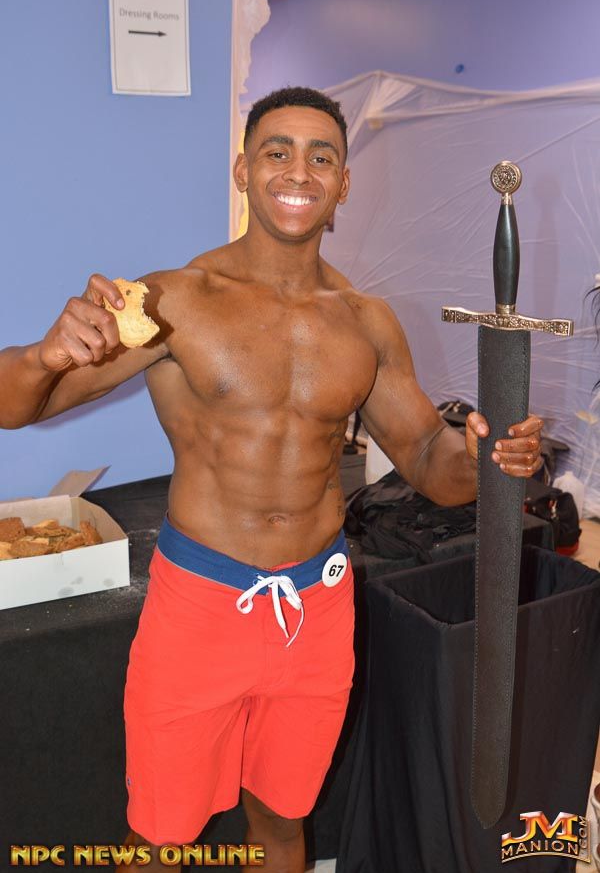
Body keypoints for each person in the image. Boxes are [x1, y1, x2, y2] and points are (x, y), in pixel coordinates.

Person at [0, 87, 543, 872]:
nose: (298, 170)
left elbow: (430, 458)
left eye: (322, 156)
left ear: (344, 183)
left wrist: (486, 460)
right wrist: (42, 356)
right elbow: (18, 407)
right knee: (160, 838)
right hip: (199, 610)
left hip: (317, 612)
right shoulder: (173, 300)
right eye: (276, 151)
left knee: (285, 821)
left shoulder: (366, 321)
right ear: (243, 170)